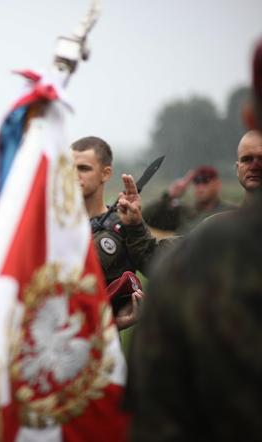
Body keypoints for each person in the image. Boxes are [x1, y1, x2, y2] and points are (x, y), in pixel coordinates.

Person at [127, 38, 262, 441]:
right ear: (236, 167)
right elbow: (158, 251)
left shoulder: (214, 243)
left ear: (248, 111)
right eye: (247, 158)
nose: (255, 164)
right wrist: (138, 222)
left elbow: (154, 400)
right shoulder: (209, 237)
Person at [71, 136, 166, 284]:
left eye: (84, 168)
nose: (74, 175)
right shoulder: (56, 223)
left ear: (106, 173)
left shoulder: (124, 227)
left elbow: (156, 268)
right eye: (69, 167)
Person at [143, 165, 236, 233]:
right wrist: (170, 196)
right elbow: (147, 217)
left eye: (205, 181)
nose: (200, 187)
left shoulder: (231, 212)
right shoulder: (183, 212)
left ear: (217, 184)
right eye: (196, 182)